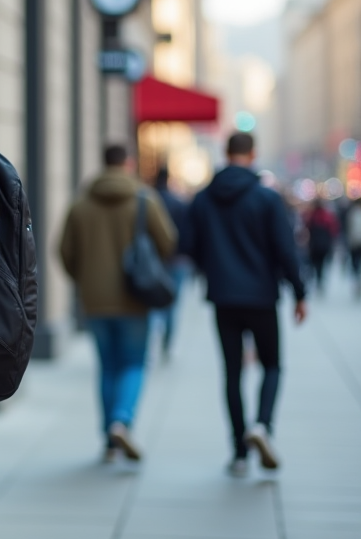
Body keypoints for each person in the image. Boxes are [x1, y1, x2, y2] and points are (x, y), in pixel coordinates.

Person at [186, 132, 307, 477]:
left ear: (226, 153)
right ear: (253, 155)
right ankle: (263, 426)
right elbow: (286, 250)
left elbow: (190, 246)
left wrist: (214, 266)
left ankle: (239, 450)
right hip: (262, 296)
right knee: (272, 365)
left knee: (232, 373)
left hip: (223, 297)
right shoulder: (266, 198)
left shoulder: (205, 198)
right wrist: (300, 293)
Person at [60, 145, 177, 464]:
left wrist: (85, 280)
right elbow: (168, 241)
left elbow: (64, 251)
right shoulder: (143, 199)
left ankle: (109, 441)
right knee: (134, 363)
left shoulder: (81, 202)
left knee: (108, 367)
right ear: (127, 163)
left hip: (95, 301)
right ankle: (121, 421)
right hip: (134, 299)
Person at [152, 165, 191, 359]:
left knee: (152, 302)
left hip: (154, 260)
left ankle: (152, 341)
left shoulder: (148, 201)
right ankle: (167, 342)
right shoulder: (178, 203)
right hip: (176, 260)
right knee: (172, 302)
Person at [303, 198, 339, 293]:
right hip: (324, 244)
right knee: (321, 263)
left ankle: (318, 278)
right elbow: (333, 229)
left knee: (316, 262)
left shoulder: (311, 216)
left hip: (314, 244)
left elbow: (306, 228)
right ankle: (319, 278)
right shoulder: (326, 215)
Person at [346, 197, 361, 298]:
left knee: (356, 263)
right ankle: (357, 282)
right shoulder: (352, 213)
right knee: (355, 263)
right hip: (355, 243)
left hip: (354, 242)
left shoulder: (351, 213)